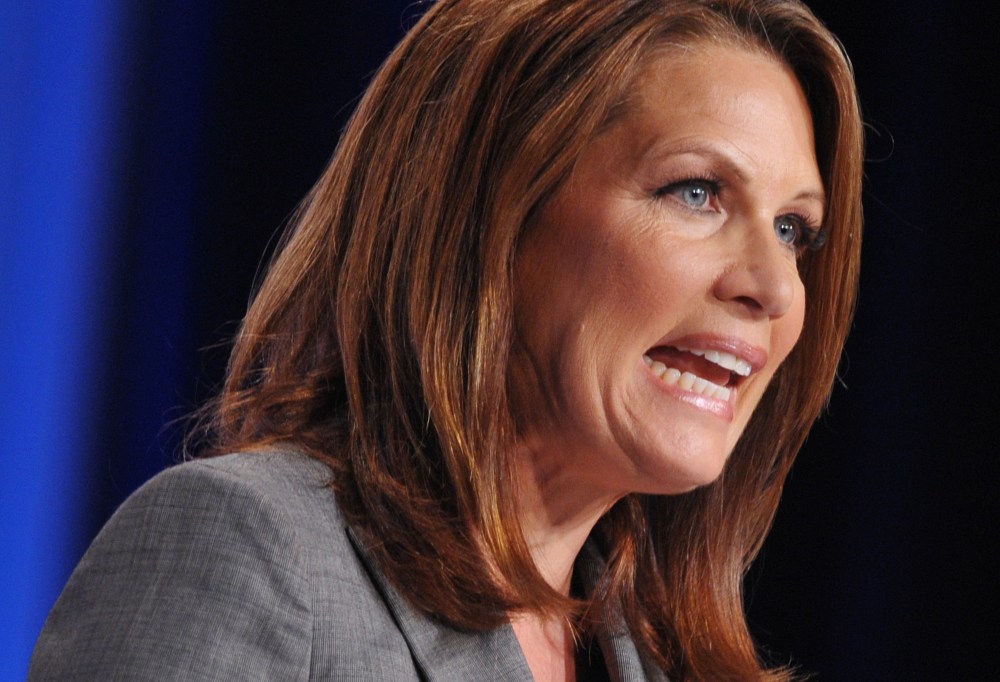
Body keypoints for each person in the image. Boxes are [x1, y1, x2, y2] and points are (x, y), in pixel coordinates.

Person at [30, 0, 863, 680]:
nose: (776, 286)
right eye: (696, 192)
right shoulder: (245, 552)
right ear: (494, 210)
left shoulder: (647, 658)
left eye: (795, 228)